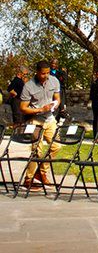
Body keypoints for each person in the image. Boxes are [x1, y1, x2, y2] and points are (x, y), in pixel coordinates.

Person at [19, 60, 61, 190]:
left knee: (56, 146)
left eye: (48, 73)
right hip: (35, 120)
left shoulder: (54, 81)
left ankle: (41, 172)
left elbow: (57, 98)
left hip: (50, 119)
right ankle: (28, 178)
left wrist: (55, 105)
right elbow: (23, 108)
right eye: (43, 73)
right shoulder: (29, 86)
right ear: (37, 72)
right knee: (37, 150)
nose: (46, 76)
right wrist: (40, 109)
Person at [89, 67, 98, 137]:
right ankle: (95, 134)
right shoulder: (94, 83)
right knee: (96, 118)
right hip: (95, 102)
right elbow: (91, 94)